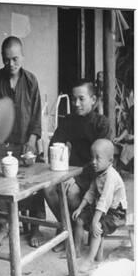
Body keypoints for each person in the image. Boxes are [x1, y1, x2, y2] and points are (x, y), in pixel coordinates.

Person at [0, 36, 45, 247]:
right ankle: (3, 225)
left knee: (34, 183)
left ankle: (35, 227)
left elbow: (35, 115)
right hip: (2, 144)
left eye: (15, 59)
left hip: (26, 143)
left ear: (22, 56)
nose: (11, 64)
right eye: (6, 60)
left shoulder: (31, 80)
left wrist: (33, 140)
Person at [43, 80, 111, 253]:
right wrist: (59, 155)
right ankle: (67, 229)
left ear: (93, 99)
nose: (76, 104)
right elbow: (55, 143)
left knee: (71, 192)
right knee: (48, 188)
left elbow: (102, 161)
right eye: (74, 99)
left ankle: (72, 234)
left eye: (81, 99)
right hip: (71, 172)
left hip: (96, 175)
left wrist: (77, 177)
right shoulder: (69, 121)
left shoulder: (102, 123)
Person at [71, 139, 127, 272]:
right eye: (92, 158)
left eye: (98, 158)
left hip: (116, 213)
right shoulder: (99, 172)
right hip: (102, 209)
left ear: (110, 160)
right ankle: (77, 250)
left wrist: (95, 221)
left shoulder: (111, 177)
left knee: (97, 227)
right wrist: (80, 208)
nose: (93, 162)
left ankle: (90, 260)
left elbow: (105, 201)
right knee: (79, 220)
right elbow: (91, 192)